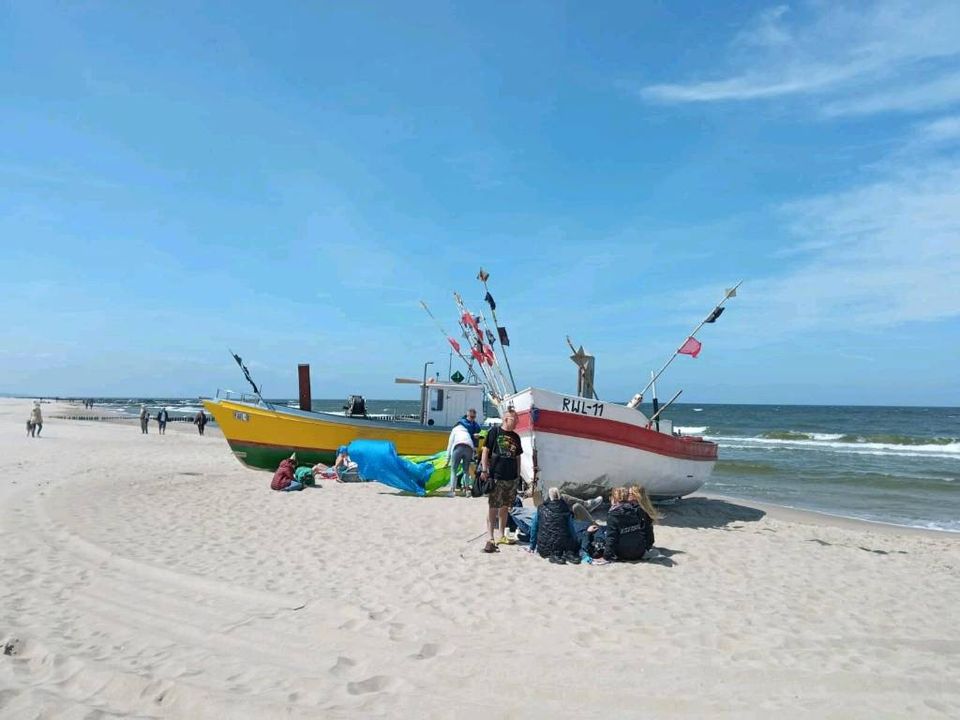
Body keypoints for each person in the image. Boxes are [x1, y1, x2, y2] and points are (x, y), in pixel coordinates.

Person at [479, 408, 523, 552]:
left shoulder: (516, 437)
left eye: (517, 419)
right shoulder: (494, 432)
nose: (517, 422)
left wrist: (518, 475)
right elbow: (485, 451)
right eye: (514, 419)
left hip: (511, 477)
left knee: (505, 507)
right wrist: (484, 470)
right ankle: (490, 536)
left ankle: (501, 534)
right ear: (506, 419)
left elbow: (518, 457)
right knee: (493, 506)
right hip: (496, 476)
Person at [604, 486, 658, 562]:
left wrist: (606, 556)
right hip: (640, 551)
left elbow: (611, 537)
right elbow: (648, 533)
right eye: (628, 494)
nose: (629, 495)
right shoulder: (636, 510)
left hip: (623, 553)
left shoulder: (614, 514)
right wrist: (647, 547)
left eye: (630, 494)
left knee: (604, 533)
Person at [526, 487, 581, 563]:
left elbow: (534, 528)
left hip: (544, 548)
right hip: (562, 548)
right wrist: (575, 543)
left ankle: (555, 555)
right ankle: (565, 554)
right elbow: (571, 530)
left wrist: (532, 546)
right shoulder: (566, 509)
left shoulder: (541, 508)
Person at [445, 419, 476, 497]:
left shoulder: (454, 430)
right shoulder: (466, 431)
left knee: (453, 470)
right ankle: (467, 490)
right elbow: (472, 442)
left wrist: (447, 459)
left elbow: (450, 444)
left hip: (458, 447)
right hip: (469, 448)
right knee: (466, 470)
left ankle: (452, 491)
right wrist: (472, 456)